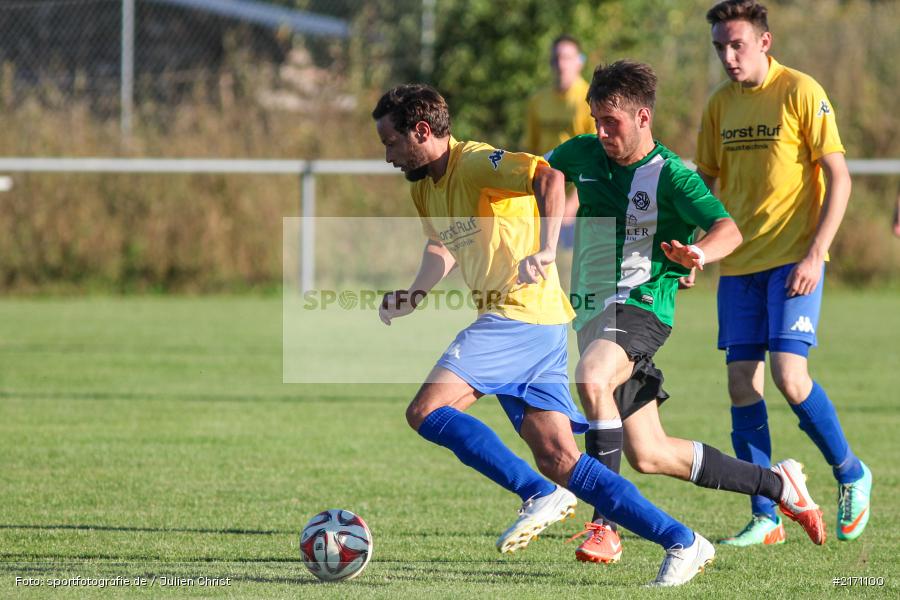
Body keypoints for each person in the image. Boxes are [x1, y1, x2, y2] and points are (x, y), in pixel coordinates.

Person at [373, 83, 714, 586]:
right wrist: (415, 294)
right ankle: (682, 540)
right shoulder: (424, 185)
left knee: (426, 411)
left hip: (519, 314)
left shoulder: (475, 163)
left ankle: (538, 493)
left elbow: (549, 177)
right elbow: (442, 245)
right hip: (537, 323)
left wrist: (549, 246)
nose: (387, 157)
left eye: (390, 142)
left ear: (422, 131)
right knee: (560, 458)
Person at [546, 60, 825, 565]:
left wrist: (700, 254)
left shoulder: (672, 175)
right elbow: (540, 172)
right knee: (650, 454)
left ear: (643, 117)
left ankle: (604, 526)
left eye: (613, 122)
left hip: (642, 304)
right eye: (596, 121)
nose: (602, 132)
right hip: (592, 311)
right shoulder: (582, 153)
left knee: (590, 380)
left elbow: (728, 230)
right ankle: (779, 484)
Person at [695, 0, 871, 546]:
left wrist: (817, 252)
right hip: (739, 267)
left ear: (764, 42)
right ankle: (766, 515)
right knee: (740, 384)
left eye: (737, 45)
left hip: (794, 261)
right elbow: (701, 186)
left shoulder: (801, 91)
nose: (728, 56)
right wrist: (695, 250)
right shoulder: (719, 106)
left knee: (790, 378)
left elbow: (838, 178)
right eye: (721, 46)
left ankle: (851, 473)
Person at [524, 35, 596, 249]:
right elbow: (531, 153)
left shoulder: (591, 99)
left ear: (579, 61)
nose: (561, 64)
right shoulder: (537, 101)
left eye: (567, 57)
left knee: (573, 267)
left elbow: (596, 159)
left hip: (581, 199)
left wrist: (572, 205)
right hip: (544, 195)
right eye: (556, 58)